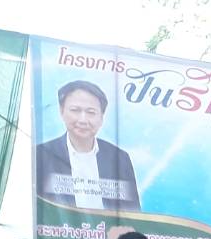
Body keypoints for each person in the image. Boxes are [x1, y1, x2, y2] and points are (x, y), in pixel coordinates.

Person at [35, 79, 141, 212]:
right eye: (75, 110)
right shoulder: (41, 154)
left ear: (101, 117)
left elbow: (133, 213)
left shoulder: (119, 158)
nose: (83, 120)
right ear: (61, 111)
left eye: (91, 112)